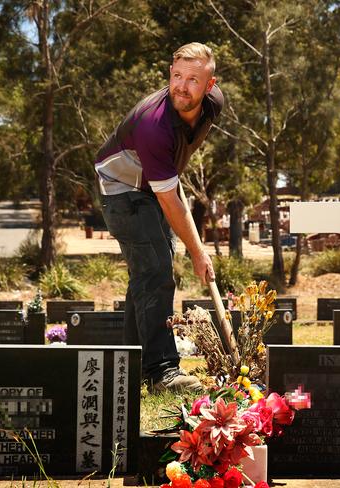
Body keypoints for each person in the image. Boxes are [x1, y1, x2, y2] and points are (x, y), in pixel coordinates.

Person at [93, 42, 223, 393]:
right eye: (176, 75)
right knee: (156, 272)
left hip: (153, 185)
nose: (182, 86)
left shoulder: (213, 105)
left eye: (193, 79)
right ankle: (161, 372)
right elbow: (169, 199)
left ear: (209, 86)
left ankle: (130, 364)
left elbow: (177, 165)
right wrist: (198, 252)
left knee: (147, 275)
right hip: (121, 187)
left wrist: (171, 175)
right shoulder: (154, 125)